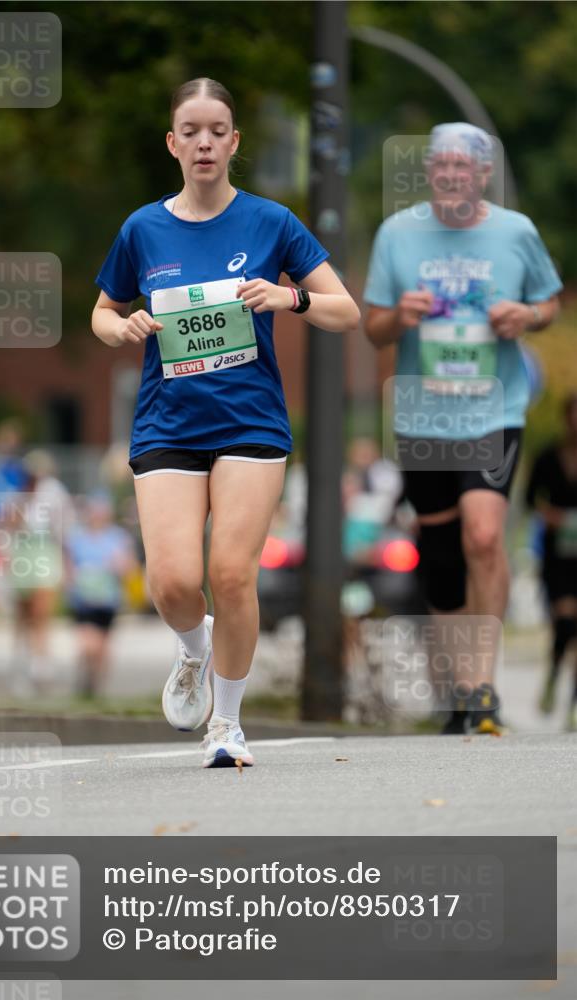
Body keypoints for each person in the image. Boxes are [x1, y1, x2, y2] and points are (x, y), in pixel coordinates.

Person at [92, 77, 359, 767]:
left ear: (233, 142)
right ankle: (193, 648)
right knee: (174, 581)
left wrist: (288, 295)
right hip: (167, 423)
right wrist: (123, 327)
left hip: (250, 423)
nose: (204, 142)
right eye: (192, 130)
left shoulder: (270, 223)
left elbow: (346, 310)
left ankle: (227, 727)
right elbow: (100, 312)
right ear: (173, 143)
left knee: (232, 573)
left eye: (217, 130)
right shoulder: (142, 228)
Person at [364, 123, 562, 735]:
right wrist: (401, 315)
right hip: (423, 417)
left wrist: (524, 315)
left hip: (492, 411)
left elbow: (550, 302)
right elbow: (373, 328)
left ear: (483, 175)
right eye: (441, 164)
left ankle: (482, 685)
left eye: (464, 166)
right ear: (430, 172)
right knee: (443, 554)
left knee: (483, 536)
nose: (452, 174)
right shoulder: (397, 235)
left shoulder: (515, 232)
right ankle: (457, 689)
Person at [526, 393, 577, 731]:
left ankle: (572, 705)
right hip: (558, 556)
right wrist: (552, 516)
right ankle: (554, 675)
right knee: (566, 622)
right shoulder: (548, 456)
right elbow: (531, 498)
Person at [65, 493, 135, 698]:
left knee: (103, 648)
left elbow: (129, 567)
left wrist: (119, 565)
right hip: (83, 599)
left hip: (107, 600)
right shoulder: (77, 537)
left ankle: (96, 686)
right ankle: (85, 679)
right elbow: (69, 565)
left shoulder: (118, 537)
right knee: (88, 646)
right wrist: (71, 581)